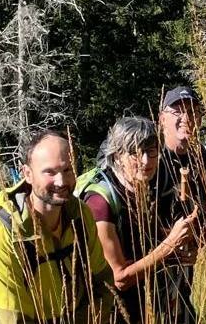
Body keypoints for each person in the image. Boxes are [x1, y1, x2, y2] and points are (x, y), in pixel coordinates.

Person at [0, 131, 115, 324]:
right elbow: (14, 319)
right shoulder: (4, 235)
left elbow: (103, 284)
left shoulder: (80, 214)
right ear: (28, 174)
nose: (61, 181)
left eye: (67, 170)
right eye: (50, 172)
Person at [81, 117, 195, 323]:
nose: (146, 161)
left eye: (151, 151)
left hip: (150, 297)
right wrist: (169, 245)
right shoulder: (100, 202)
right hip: (113, 306)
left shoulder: (152, 185)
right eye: (135, 153)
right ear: (117, 156)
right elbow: (120, 279)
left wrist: (180, 253)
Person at [153, 86, 206, 323]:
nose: (187, 118)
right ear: (162, 118)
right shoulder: (153, 159)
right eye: (178, 112)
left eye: (193, 111)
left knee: (183, 306)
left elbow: (203, 201)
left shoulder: (198, 154)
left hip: (186, 255)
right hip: (156, 258)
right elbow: (140, 219)